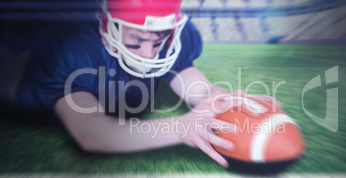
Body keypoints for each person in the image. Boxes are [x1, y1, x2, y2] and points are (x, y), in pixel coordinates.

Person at [0, 0, 277, 168]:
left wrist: (221, 99)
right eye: (136, 40)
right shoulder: (74, 48)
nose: (148, 54)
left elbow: (196, 86)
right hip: (16, 76)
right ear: (108, 26)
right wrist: (180, 127)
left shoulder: (174, 42)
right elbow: (92, 132)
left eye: (158, 42)